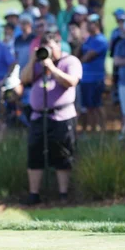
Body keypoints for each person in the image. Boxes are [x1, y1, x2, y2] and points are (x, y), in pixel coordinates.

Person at [20, 30, 82, 205]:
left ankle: (63, 194)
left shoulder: (70, 61)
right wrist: (33, 60)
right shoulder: (38, 63)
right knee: (34, 154)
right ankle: (34, 195)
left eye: (51, 47)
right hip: (38, 117)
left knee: (62, 155)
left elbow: (71, 82)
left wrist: (52, 68)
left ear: (58, 45)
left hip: (61, 117)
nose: (47, 51)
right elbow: (24, 80)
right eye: (44, 47)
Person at [77, 14, 108, 133]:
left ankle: (103, 128)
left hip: (96, 78)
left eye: (92, 23)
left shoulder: (101, 40)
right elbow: (78, 52)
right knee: (89, 106)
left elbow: (87, 57)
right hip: (86, 78)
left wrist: (75, 63)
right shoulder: (88, 39)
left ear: (97, 24)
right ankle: (93, 129)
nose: (89, 25)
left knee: (97, 105)